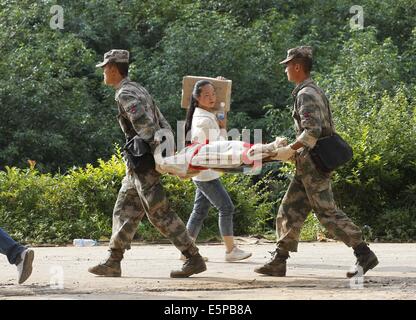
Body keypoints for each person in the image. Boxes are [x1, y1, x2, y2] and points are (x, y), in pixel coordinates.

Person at [253, 46, 378, 278]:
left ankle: (364, 253)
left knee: (327, 214)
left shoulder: (306, 94)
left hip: (313, 164)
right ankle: (279, 260)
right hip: (307, 163)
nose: (285, 70)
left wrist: (290, 149)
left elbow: (312, 130)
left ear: (297, 66)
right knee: (289, 209)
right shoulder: (311, 90)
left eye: (287, 65)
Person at [89, 49, 206, 278]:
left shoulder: (125, 93)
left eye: (104, 68)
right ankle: (113, 260)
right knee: (124, 209)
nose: (103, 72)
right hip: (139, 164)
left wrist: (160, 157)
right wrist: (167, 148)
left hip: (145, 163)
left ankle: (193, 257)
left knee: (159, 212)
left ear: (113, 68)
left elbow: (146, 126)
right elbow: (161, 119)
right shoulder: (137, 88)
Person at [182, 79, 252, 262]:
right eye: (207, 95)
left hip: (202, 171)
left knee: (199, 211)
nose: (212, 98)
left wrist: (219, 84)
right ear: (197, 98)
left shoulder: (203, 114)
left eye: (214, 93)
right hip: (205, 172)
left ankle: (186, 252)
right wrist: (223, 127)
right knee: (226, 207)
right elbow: (218, 147)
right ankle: (231, 250)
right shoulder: (204, 120)